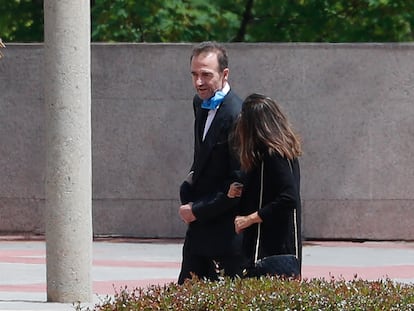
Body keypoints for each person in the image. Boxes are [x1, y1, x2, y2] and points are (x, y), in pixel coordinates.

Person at [177, 41, 243, 284]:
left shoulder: (237, 114)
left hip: (225, 229)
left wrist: (198, 210)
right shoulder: (199, 104)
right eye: (194, 75)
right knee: (184, 295)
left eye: (206, 75)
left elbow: (238, 181)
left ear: (224, 74)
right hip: (199, 229)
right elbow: (202, 157)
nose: (198, 82)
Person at [228, 93, 303, 276]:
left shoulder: (273, 154)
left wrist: (250, 218)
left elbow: (288, 198)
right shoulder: (272, 153)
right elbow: (268, 190)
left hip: (271, 251)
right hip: (272, 250)